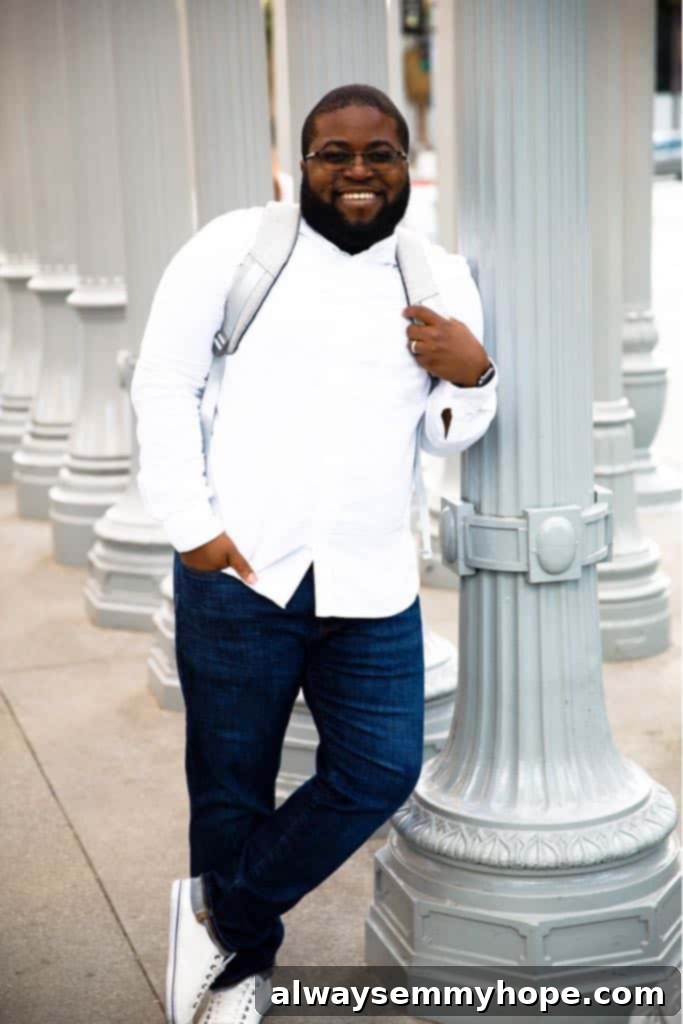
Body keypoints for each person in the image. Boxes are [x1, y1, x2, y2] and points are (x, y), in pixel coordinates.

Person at [131, 84, 497, 1024]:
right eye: (335, 154)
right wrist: (192, 527)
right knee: (230, 786)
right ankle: (240, 971)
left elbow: (447, 433)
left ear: (406, 164)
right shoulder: (233, 249)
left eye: (380, 154)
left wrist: (473, 374)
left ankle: (219, 913)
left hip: (371, 580)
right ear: (301, 165)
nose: (358, 172)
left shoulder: (437, 277)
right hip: (242, 570)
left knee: (379, 770)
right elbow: (164, 383)